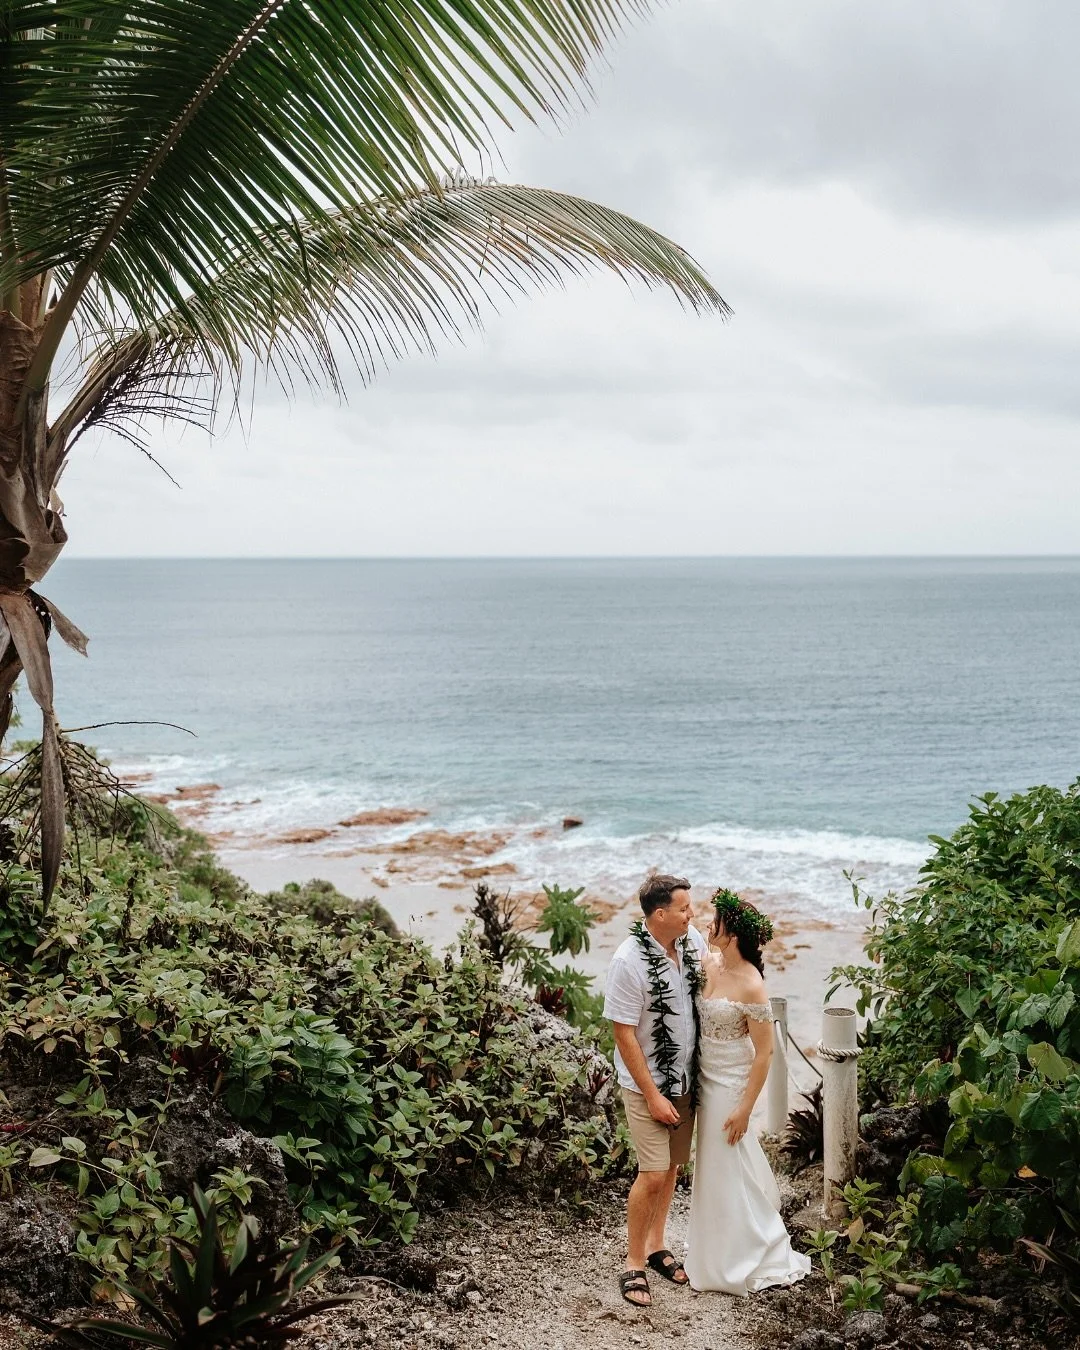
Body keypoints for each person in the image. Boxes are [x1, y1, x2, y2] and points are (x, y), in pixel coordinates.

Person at [683, 889, 811, 1295]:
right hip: (703, 1076)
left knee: (725, 1162)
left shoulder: (753, 985)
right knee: (711, 1167)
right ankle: (711, 1251)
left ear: (731, 933)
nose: (707, 924)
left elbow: (765, 1053)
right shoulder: (710, 963)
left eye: (714, 921)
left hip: (731, 1085)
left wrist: (744, 1109)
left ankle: (743, 1254)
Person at [603, 874, 708, 1307]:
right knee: (650, 1173)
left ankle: (656, 1244)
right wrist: (652, 1095)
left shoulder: (692, 942)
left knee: (671, 1169)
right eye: (685, 908)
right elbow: (624, 1035)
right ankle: (633, 1262)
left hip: (685, 1076)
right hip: (646, 1085)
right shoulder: (628, 962)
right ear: (659, 914)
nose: (692, 913)